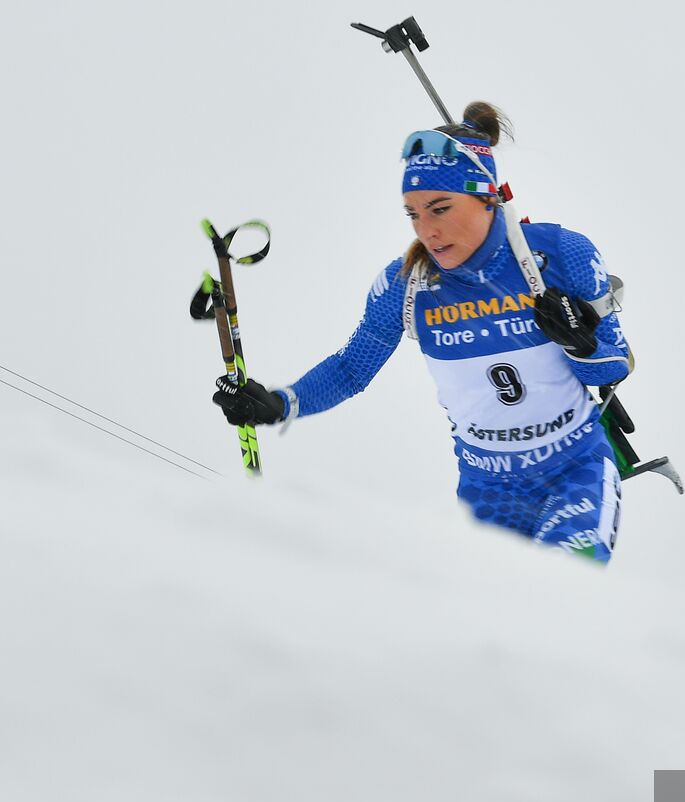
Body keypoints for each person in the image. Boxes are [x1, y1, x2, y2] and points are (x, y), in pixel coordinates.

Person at [212, 102, 633, 563]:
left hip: (575, 471)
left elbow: (615, 366)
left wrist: (579, 340)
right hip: (488, 495)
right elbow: (352, 369)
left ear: (487, 197)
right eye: (412, 214)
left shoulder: (559, 255)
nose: (426, 230)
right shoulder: (407, 285)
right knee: (494, 630)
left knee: (564, 600)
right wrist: (280, 403)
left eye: (440, 208)